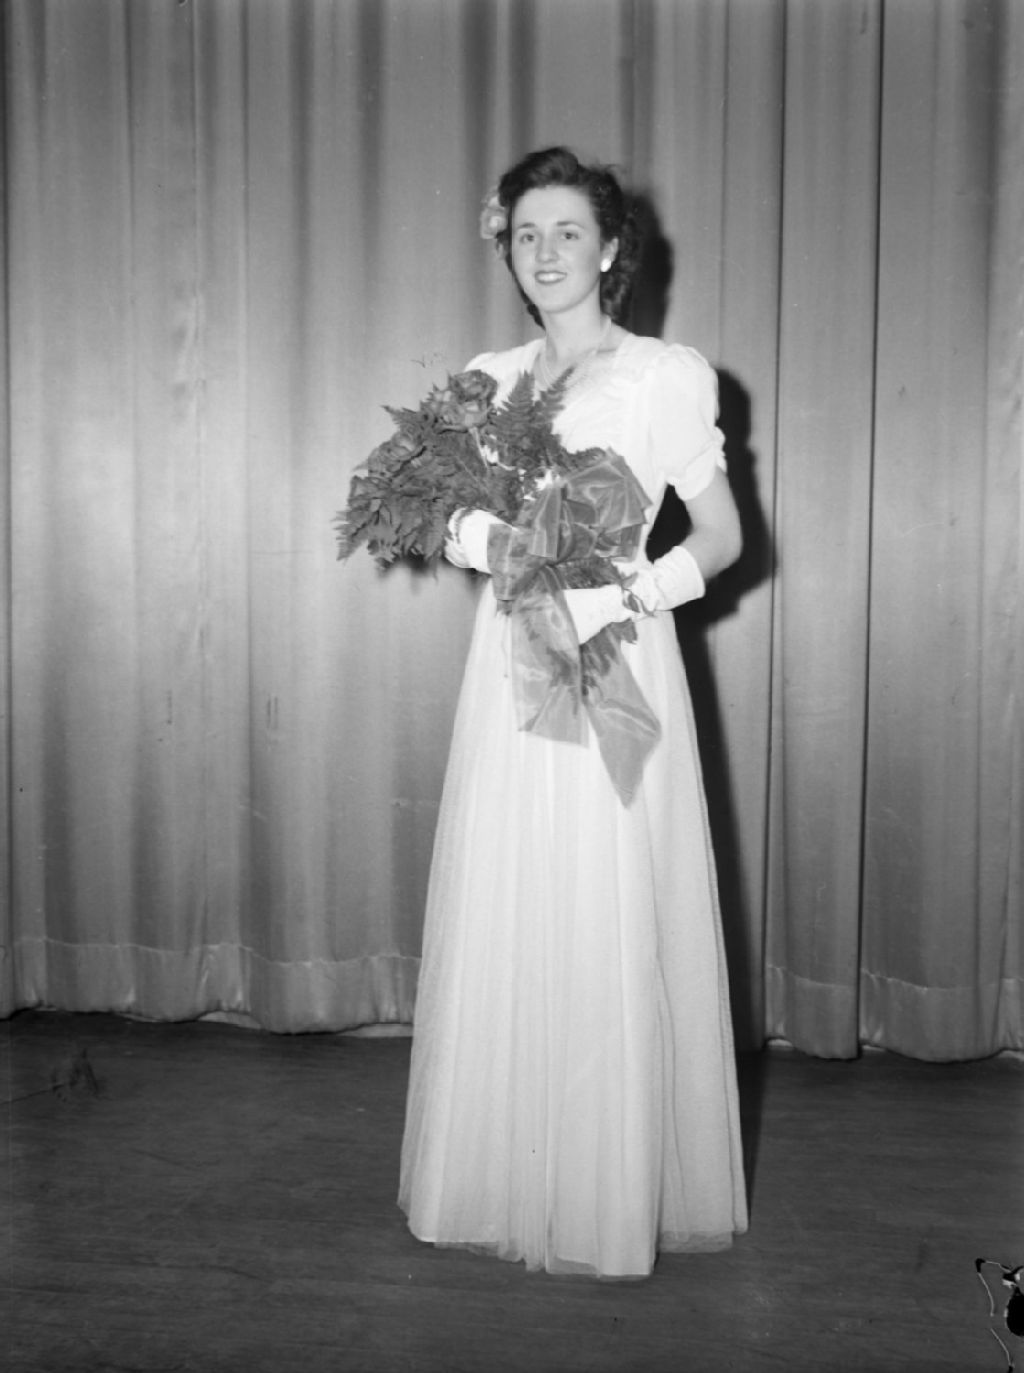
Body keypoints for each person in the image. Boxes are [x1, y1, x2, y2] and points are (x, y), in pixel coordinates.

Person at [398, 146, 748, 1279]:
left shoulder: (661, 375)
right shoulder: (488, 378)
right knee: (516, 894)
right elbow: (442, 512)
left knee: (606, 895)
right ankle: (504, 1167)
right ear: (505, 249)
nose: (544, 252)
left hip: (615, 651)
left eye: (567, 233)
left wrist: (627, 594)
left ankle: (603, 1186)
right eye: (526, 234)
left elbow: (724, 536)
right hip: (513, 659)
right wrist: (481, 537)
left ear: (608, 251)